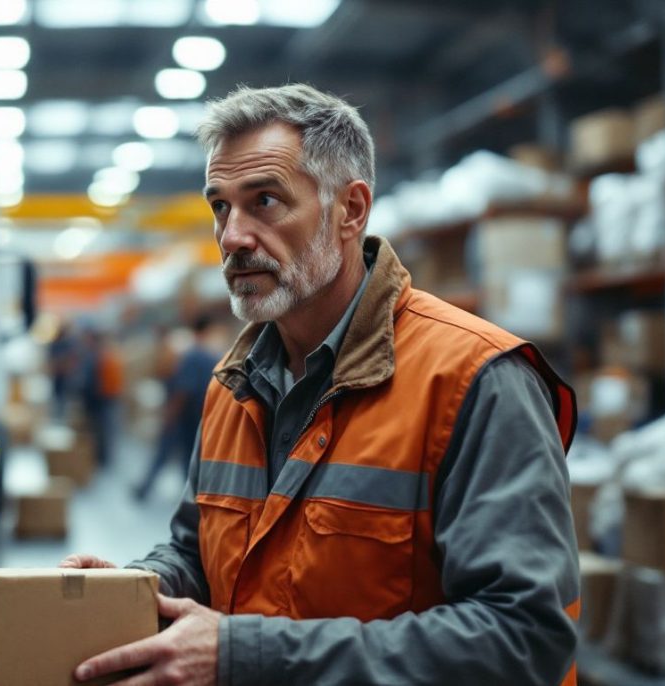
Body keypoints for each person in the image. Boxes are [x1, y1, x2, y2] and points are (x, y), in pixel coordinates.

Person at [61, 83, 580, 686]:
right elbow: (194, 550)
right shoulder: (233, 385)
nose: (232, 237)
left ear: (351, 211)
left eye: (265, 201)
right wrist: (134, 589)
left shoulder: (474, 381)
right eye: (221, 207)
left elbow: (523, 639)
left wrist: (243, 655)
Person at [133, 314, 222, 501]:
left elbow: (183, 389)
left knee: (169, 452)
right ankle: (190, 495)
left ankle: (149, 488)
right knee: (189, 456)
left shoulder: (192, 355)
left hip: (186, 415)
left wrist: (171, 413)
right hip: (197, 414)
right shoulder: (209, 355)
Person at [79, 326, 124, 467]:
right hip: (107, 397)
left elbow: (89, 380)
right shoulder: (106, 353)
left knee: (102, 429)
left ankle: (103, 458)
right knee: (106, 428)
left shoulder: (96, 355)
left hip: (100, 398)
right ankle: (105, 457)